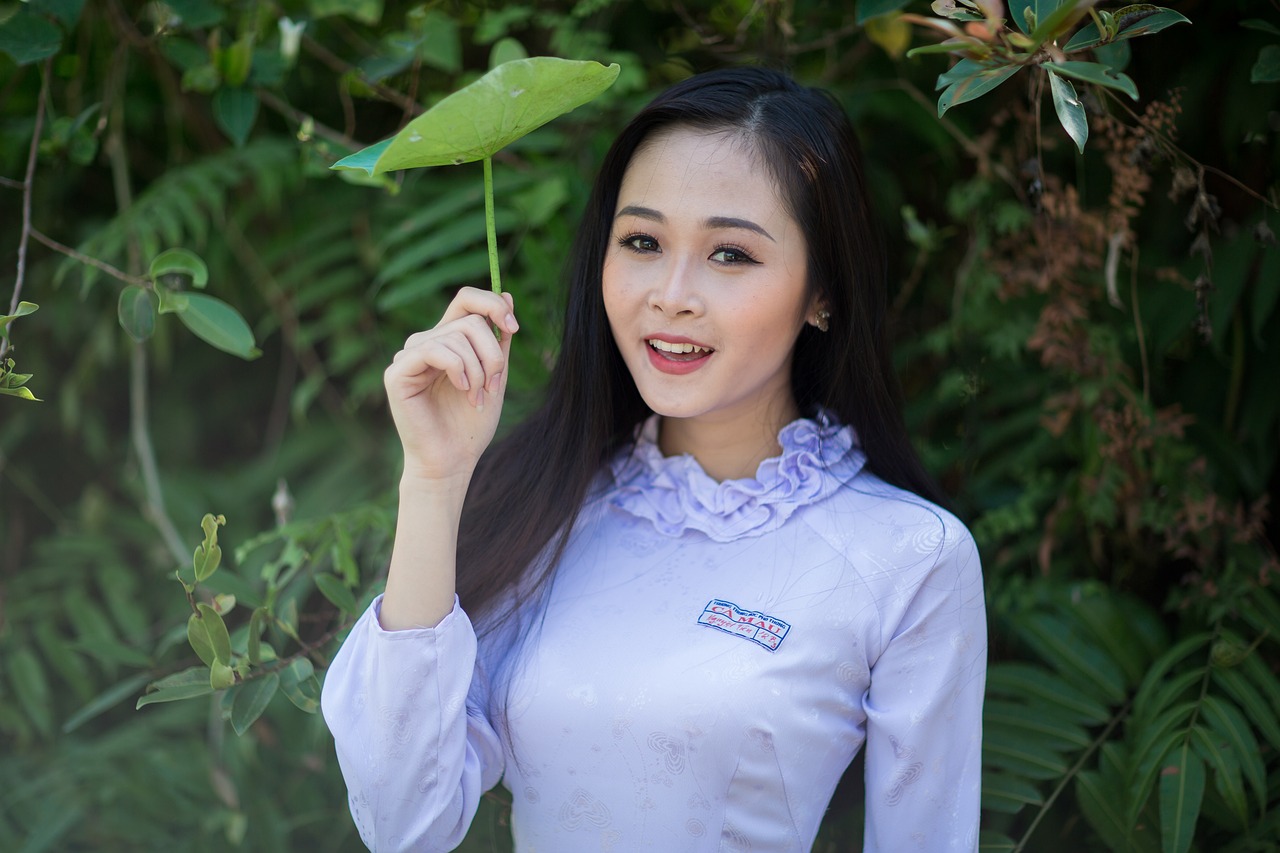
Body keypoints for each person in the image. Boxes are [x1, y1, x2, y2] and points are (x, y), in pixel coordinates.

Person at [321, 66, 987, 852]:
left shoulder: (908, 558)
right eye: (642, 241)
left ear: (823, 292)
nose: (671, 294)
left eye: (730, 254)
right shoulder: (549, 508)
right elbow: (403, 822)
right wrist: (434, 479)